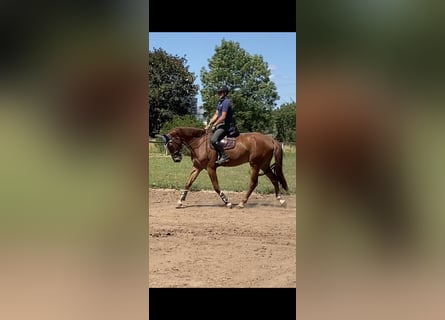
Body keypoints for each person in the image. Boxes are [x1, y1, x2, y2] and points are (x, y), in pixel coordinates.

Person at [205, 85, 233, 165]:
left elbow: (223, 117)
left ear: (225, 93)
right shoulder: (220, 102)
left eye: (220, 92)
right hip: (220, 125)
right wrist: (209, 124)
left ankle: (224, 156)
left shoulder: (226, 102)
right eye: (218, 92)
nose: (219, 94)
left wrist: (215, 124)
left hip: (225, 125)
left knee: (213, 140)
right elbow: (216, 114)